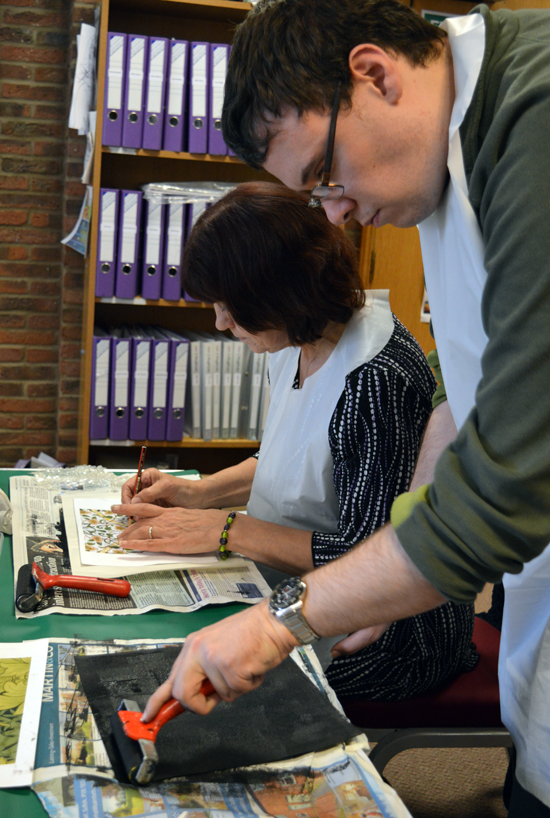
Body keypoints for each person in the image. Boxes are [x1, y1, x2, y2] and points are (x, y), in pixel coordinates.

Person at [137, 2, 550, 814]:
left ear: (374, 74)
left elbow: (512, 480)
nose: (334, 213)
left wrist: (282, 620)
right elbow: (461, 405)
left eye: (326, 177)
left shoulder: (529, 122)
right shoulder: (439, 160)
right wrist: (399, 548)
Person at [113, 182, 477, 702]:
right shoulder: (294, 339)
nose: (220, 323)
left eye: (229, 306)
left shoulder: (376, 380)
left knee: (193, 681)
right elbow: (295, 456)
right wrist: (199, 492)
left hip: (388, 635)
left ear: (279, 293)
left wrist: (226, 529)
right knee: (169, 647)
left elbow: (366, 559)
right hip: (296, 585)